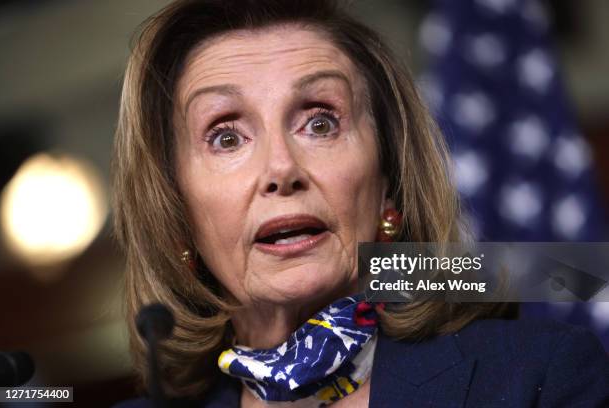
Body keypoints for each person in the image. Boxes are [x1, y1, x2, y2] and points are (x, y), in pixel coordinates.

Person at [111, 1, 609, 407]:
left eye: (320, 123)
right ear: (175, 211)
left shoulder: (538, 375)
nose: (282, 169)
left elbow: (579, 273)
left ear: (388, 186)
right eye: (225, 138)